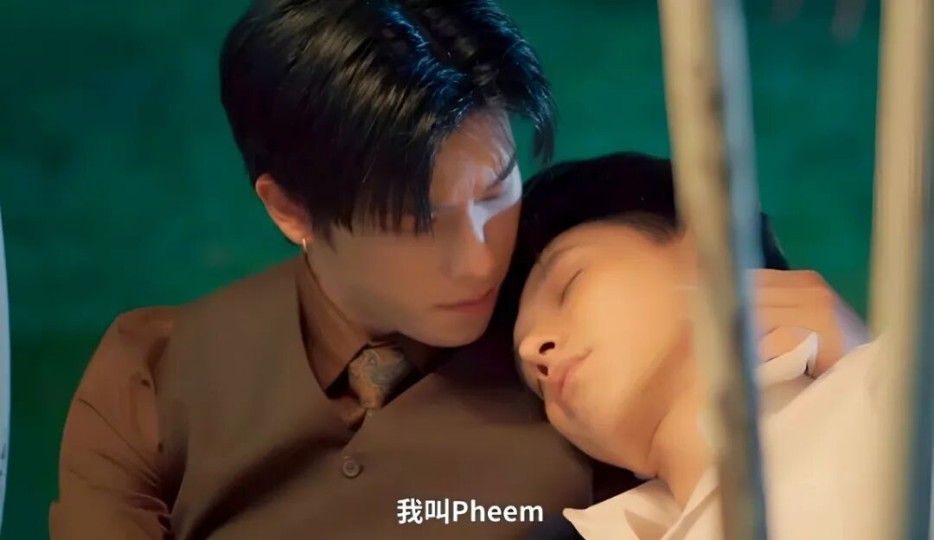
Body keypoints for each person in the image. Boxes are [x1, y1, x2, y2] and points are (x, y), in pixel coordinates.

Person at [49, 1, 865, 538]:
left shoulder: (583, 360)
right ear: (290, 210)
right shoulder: (154, 375)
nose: (480, 258)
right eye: (416, 222)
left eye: (498, 187)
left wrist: (854, 377)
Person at [511, 153, 880, 539]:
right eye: (534, 387)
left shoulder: (895, 402)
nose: (531, 350)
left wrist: (877, 378)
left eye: (568, 285)